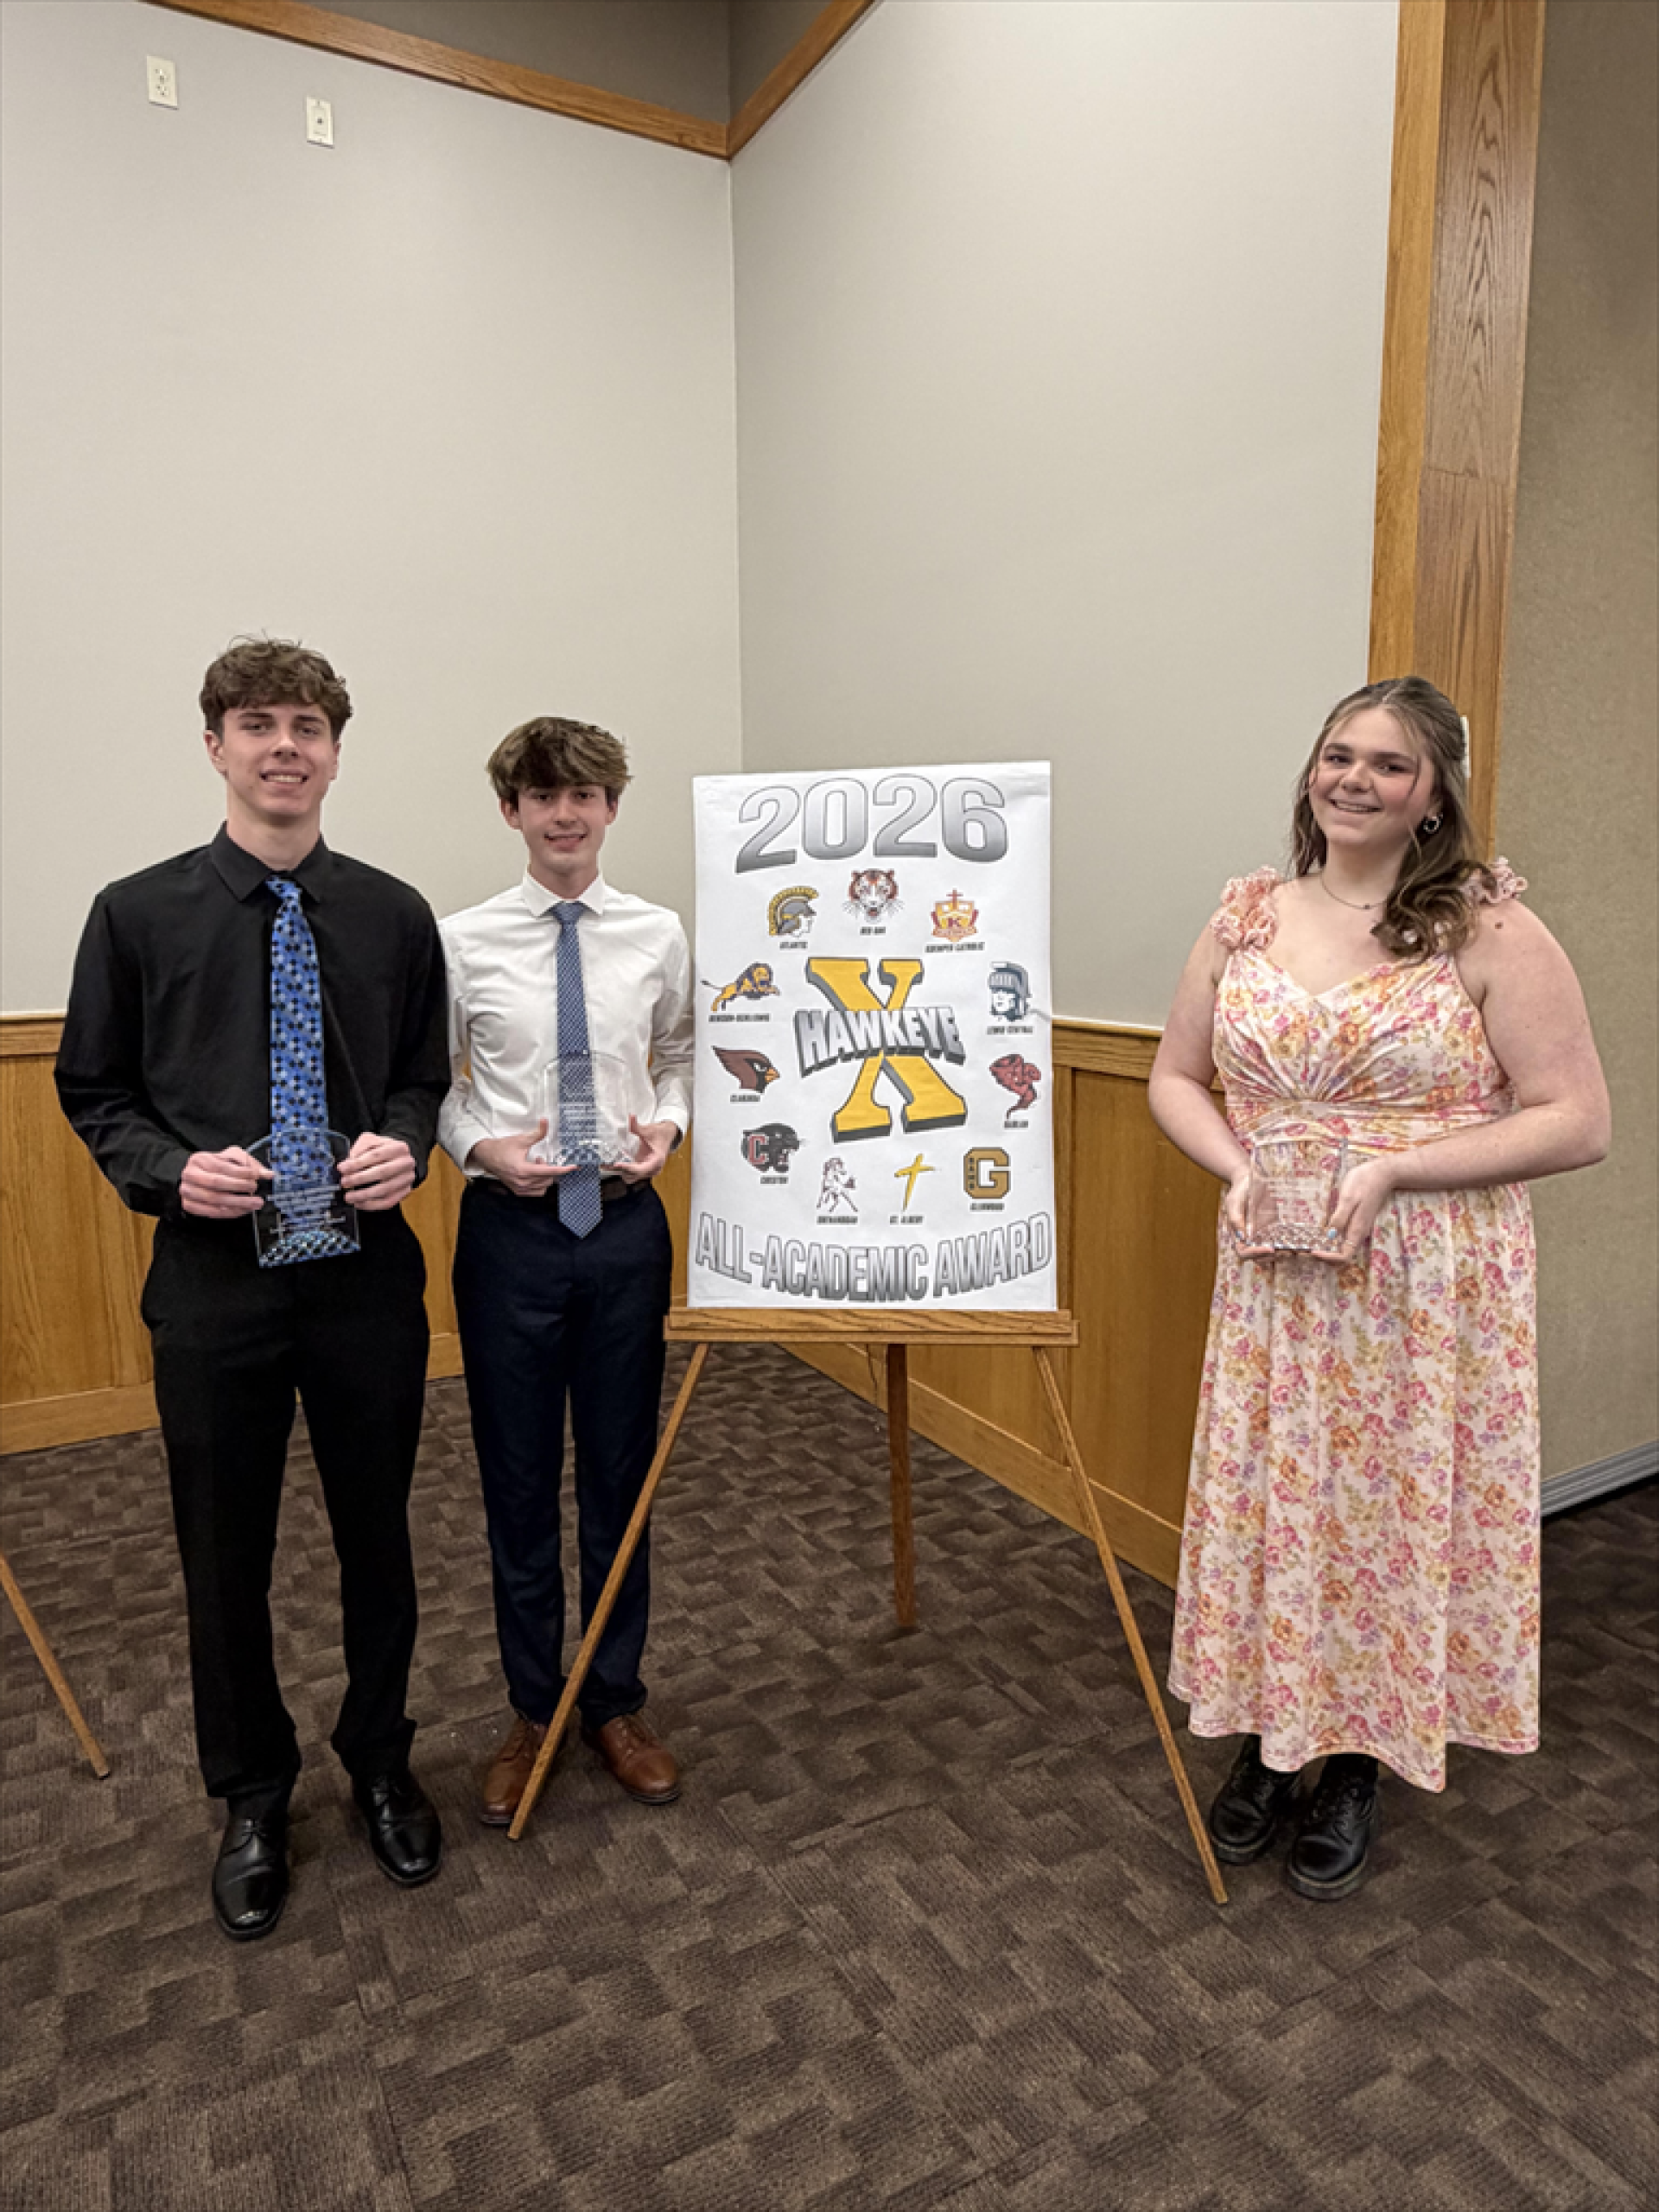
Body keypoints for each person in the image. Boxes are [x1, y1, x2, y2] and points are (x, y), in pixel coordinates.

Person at [1149, 676, 1610, 1900]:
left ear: (1434, 796)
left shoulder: (1485, 928)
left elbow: (1578, 1121)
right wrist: (1236, 1167)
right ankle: (1266, 1733)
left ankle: (1355, 1757)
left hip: (1424, 1280)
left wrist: (1399, 1169)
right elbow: (1175, 1079)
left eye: (1389, 766)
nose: (1355, 779)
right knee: (1275, 1501)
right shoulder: (1247, 915)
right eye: (1338, 756)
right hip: (1275, 1272)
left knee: (1381, 1518)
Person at [55, 639, 448, 1941]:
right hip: (216, 1288)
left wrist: (402, 1136)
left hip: (365, 1286)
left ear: (336, 749)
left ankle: (382, 1760)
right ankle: (253, 1792)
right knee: (223, 1551)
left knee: (378, 1535)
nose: (287, 744)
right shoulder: (136, 912)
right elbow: (94, 1091)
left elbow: (418, 1077)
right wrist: (169, 1172)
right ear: (215, 744)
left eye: (310, 725)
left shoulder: (394, 914)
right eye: (259, 723)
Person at [439, 717, 693, 1827]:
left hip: (628, 1229)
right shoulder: (461, 940)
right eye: (543, 797)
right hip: (512, 1234)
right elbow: (427, 1082)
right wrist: (477, 1147)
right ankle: (535, 1705)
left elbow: (681, 1053)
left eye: (586, 795)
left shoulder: (658, 932)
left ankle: (616, 1702)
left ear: (611, 808)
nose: (565, 814)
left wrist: (670, 1128)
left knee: (623, 1476)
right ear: (512, 812)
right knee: (519, 1478)